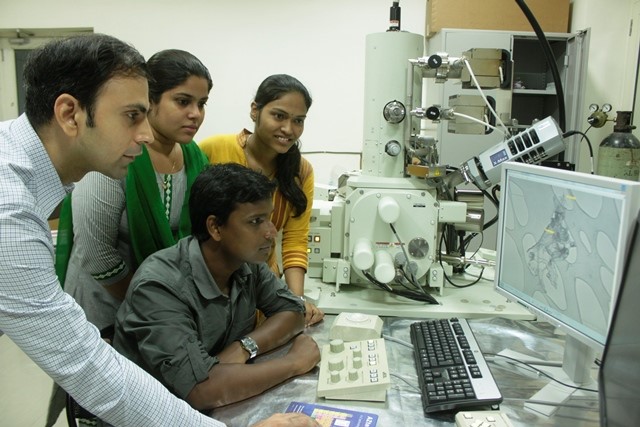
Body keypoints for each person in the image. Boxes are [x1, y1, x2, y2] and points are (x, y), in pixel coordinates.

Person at [0, 34, 318, 427]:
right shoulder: (8, 211)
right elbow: (89, 368)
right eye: (133, 115)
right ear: (70, 114)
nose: (147, 133)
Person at [45, 48, 213, 426]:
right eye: (183, 101)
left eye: (202, 103)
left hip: (163, 308)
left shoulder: (196, 160)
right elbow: (97, 256)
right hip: (105, 307)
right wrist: (155, 304)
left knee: (152, 401)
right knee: (106, 403)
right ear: (150, 103)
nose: (195, 114)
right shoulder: (115, 158)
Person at [113, 163, 321, 410]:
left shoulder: (246, 263)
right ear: (215, 227)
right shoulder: (159, 286)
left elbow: (292, 312)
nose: (271, 232)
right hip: (153, 416)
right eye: (256, 221)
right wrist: (294, 363)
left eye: (269, 218)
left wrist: (244, 347)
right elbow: (201, 389)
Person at [198, 74, 324, 327]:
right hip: (207, 289)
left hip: (262, 290)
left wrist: (296, 299)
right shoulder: (213, 149)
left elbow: (295, 241)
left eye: (298, 121)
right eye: (278, 116)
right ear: (255, 110)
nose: (289, 129)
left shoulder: (301, 171)